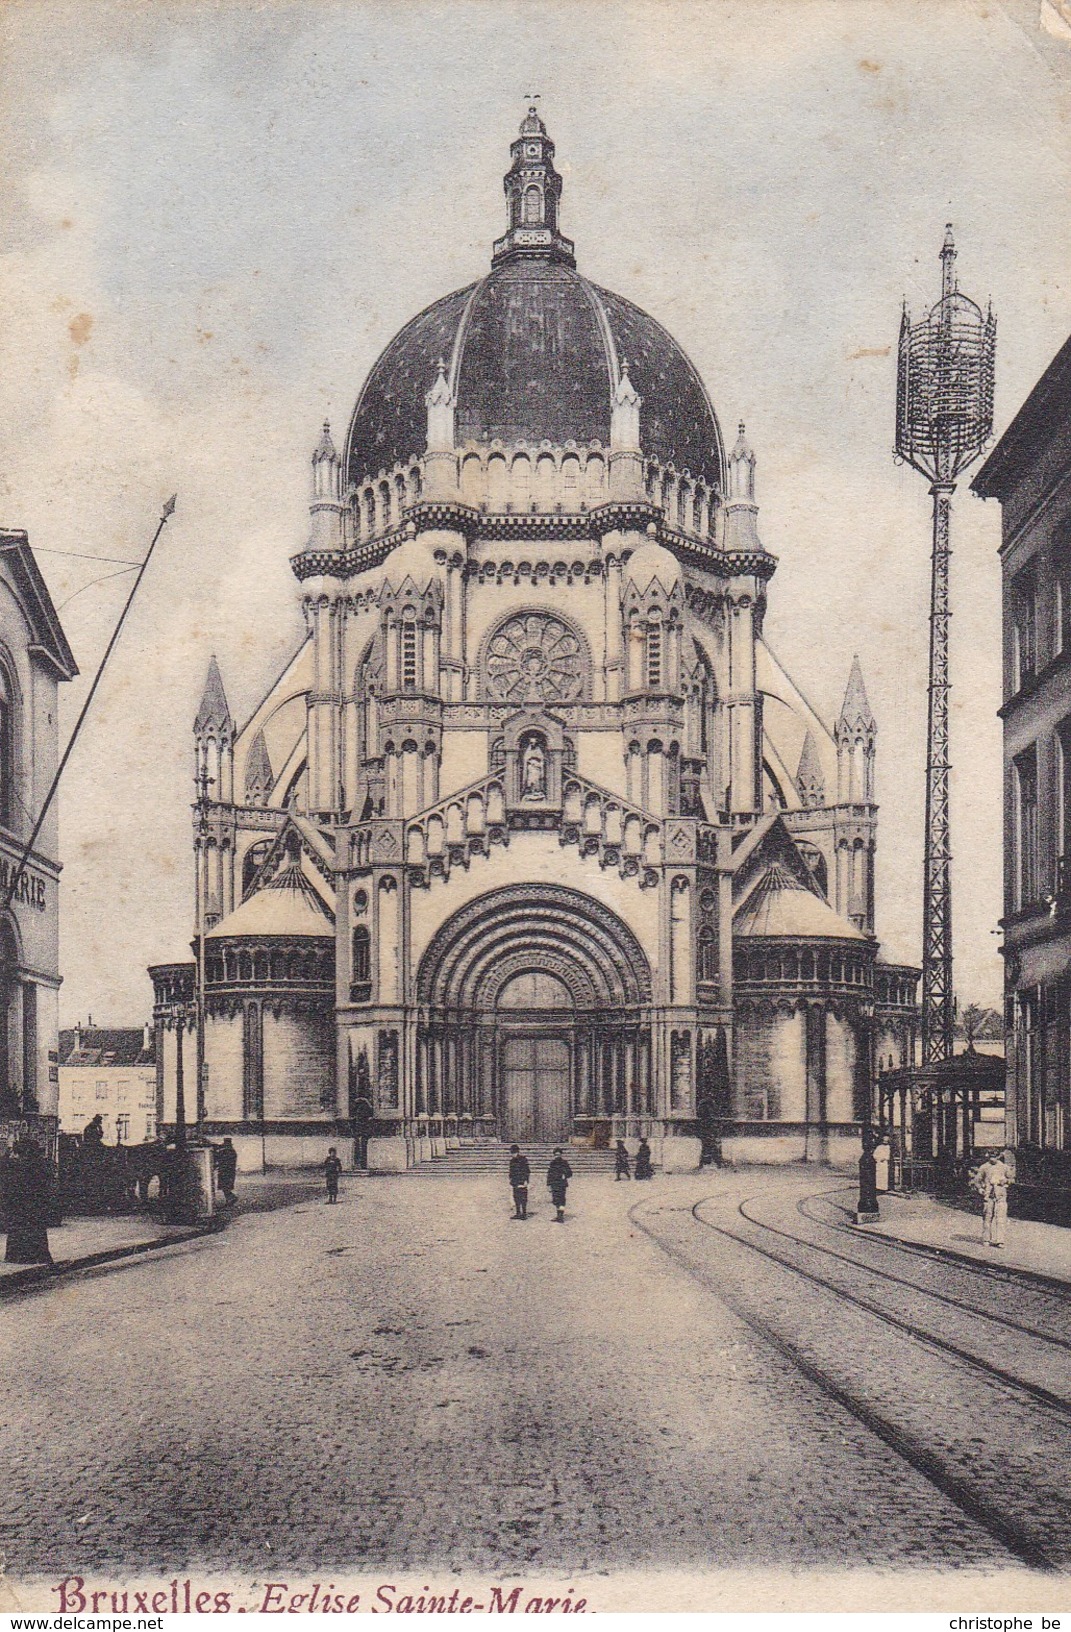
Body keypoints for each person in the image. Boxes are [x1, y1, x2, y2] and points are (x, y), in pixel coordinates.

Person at [3, 1138, 53, 1265]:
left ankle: (18, 1256)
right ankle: (39, 1256)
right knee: (36, 1231)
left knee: (19, 1231)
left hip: (20, 1205)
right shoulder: (40, 1165)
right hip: (35, 1205)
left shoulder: (19, 1166)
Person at [978, 1149, 1013, 1248]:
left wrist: (1005, 1181)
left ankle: (1000, 1240)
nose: (992, 1159)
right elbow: (977, 1180)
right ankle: (986, 1239)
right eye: (990, 1157)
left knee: (1001, 1218)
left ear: (998, 1157)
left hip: (1001, 1196)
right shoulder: (984, 1167)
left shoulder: (1004, 1167)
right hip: (988, 1196)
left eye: (994, 1157)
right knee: (987, 1218)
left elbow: (1012, 1179)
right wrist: (980, 1188)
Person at [547, 1148, 572, 1222]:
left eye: (558, 1154)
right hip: (554, 1184)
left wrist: (565, 1175)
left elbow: (570, 1173)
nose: (557, 1156)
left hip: (561, 1184)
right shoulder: (552, 1163)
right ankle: (558, 1215)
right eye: (555, 1155)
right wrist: (548, 1185)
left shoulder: (564, 1163)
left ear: (561, 1154)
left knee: (561, 1200)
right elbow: (549, 1174)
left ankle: (560, 1216)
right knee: (555, 1200)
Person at [508, 1144, 530, 1219]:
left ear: (517, 1152)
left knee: (523, 1197)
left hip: (522, 1181)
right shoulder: (512, 1161)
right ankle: (518, 1213)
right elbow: (511, 1171)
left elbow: (527, 1171)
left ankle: (524, 1213)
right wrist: (511, 1180)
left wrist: (526, 1180)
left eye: (514, 1153)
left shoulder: (523, 1160)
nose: (513, 1154)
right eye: (512, 1153)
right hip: (515, 1181)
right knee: (516, 1197)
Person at [216, 1136, 238, 1206]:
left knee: (224, 1187)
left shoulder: (224, 1151)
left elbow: (219, 1159)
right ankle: (229, 1200)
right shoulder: (233, 1151)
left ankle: (231, 1198)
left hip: (224, 1171)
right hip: (231, 1171)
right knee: (227, 1186)